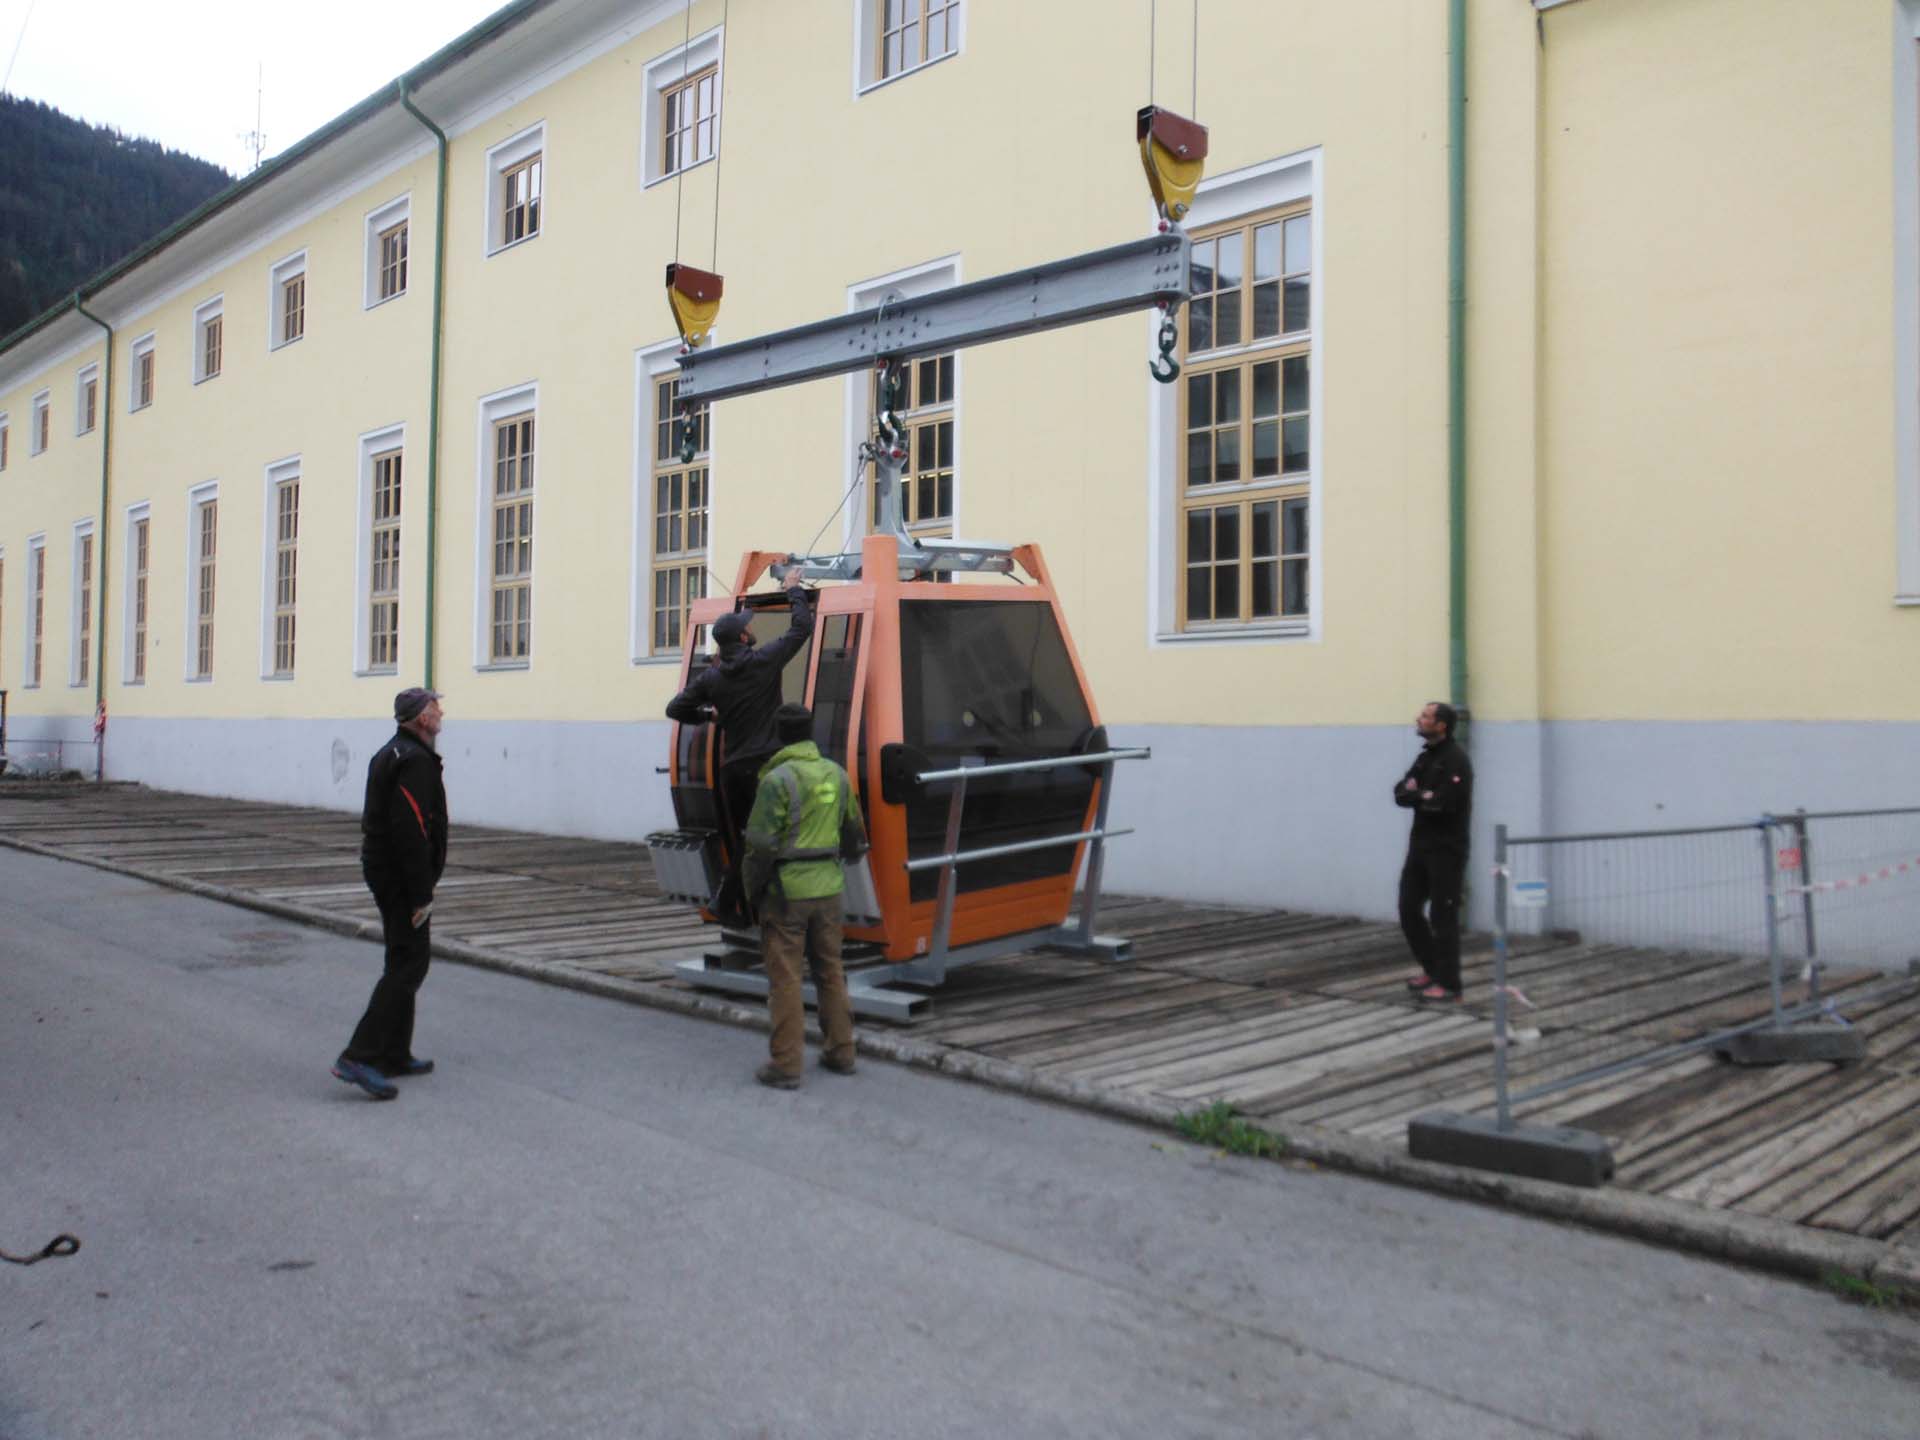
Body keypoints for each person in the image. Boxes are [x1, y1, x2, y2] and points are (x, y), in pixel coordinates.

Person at [740, 703, 866, 1089]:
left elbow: (760, 846)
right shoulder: (837, 774)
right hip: (829, 888)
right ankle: (842, 1052)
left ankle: (786, 1065)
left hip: (786, 892)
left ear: (779, 736)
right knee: (831, 970)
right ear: (811, 732)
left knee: (786, 978)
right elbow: (855, 835)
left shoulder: (776, 780)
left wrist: (751, 890)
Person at [333, 687, 448, 1100]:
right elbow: (410, 831)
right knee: (409, 963)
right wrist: (420, 893)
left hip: (388, 870)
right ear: (421, 718)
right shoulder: (412, 760)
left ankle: (395, 1052)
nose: (441, 712)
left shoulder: (395, 753)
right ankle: (359, 1055)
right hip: (400, 876)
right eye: (435, 707)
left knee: (404, 958)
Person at [665, 588, 817, 885]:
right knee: (780, 841)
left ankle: (733, 898)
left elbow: (675, 708)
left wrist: (708, 716)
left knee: (747, 844)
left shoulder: (712, 678)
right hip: (767, 770)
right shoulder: (765, 660)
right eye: (747, 626)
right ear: (743, 638)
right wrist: (794, 590)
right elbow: (802, 627)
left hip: (734, 772)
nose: (750, 628)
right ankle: (772, 902)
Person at [1395, 700, 1474, 1003]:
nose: (1419, 718)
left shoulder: (1456, 760)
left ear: (1441, 725)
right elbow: (1400, 793)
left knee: (1443, 916)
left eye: (1426, 716)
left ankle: (1450, 984)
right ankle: (1432, 969)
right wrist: (1422, 794)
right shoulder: (1425, 758)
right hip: (1420, 847)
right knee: (1408, 909)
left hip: (1447, 851)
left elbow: (1443, 803)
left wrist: (1419, 795)